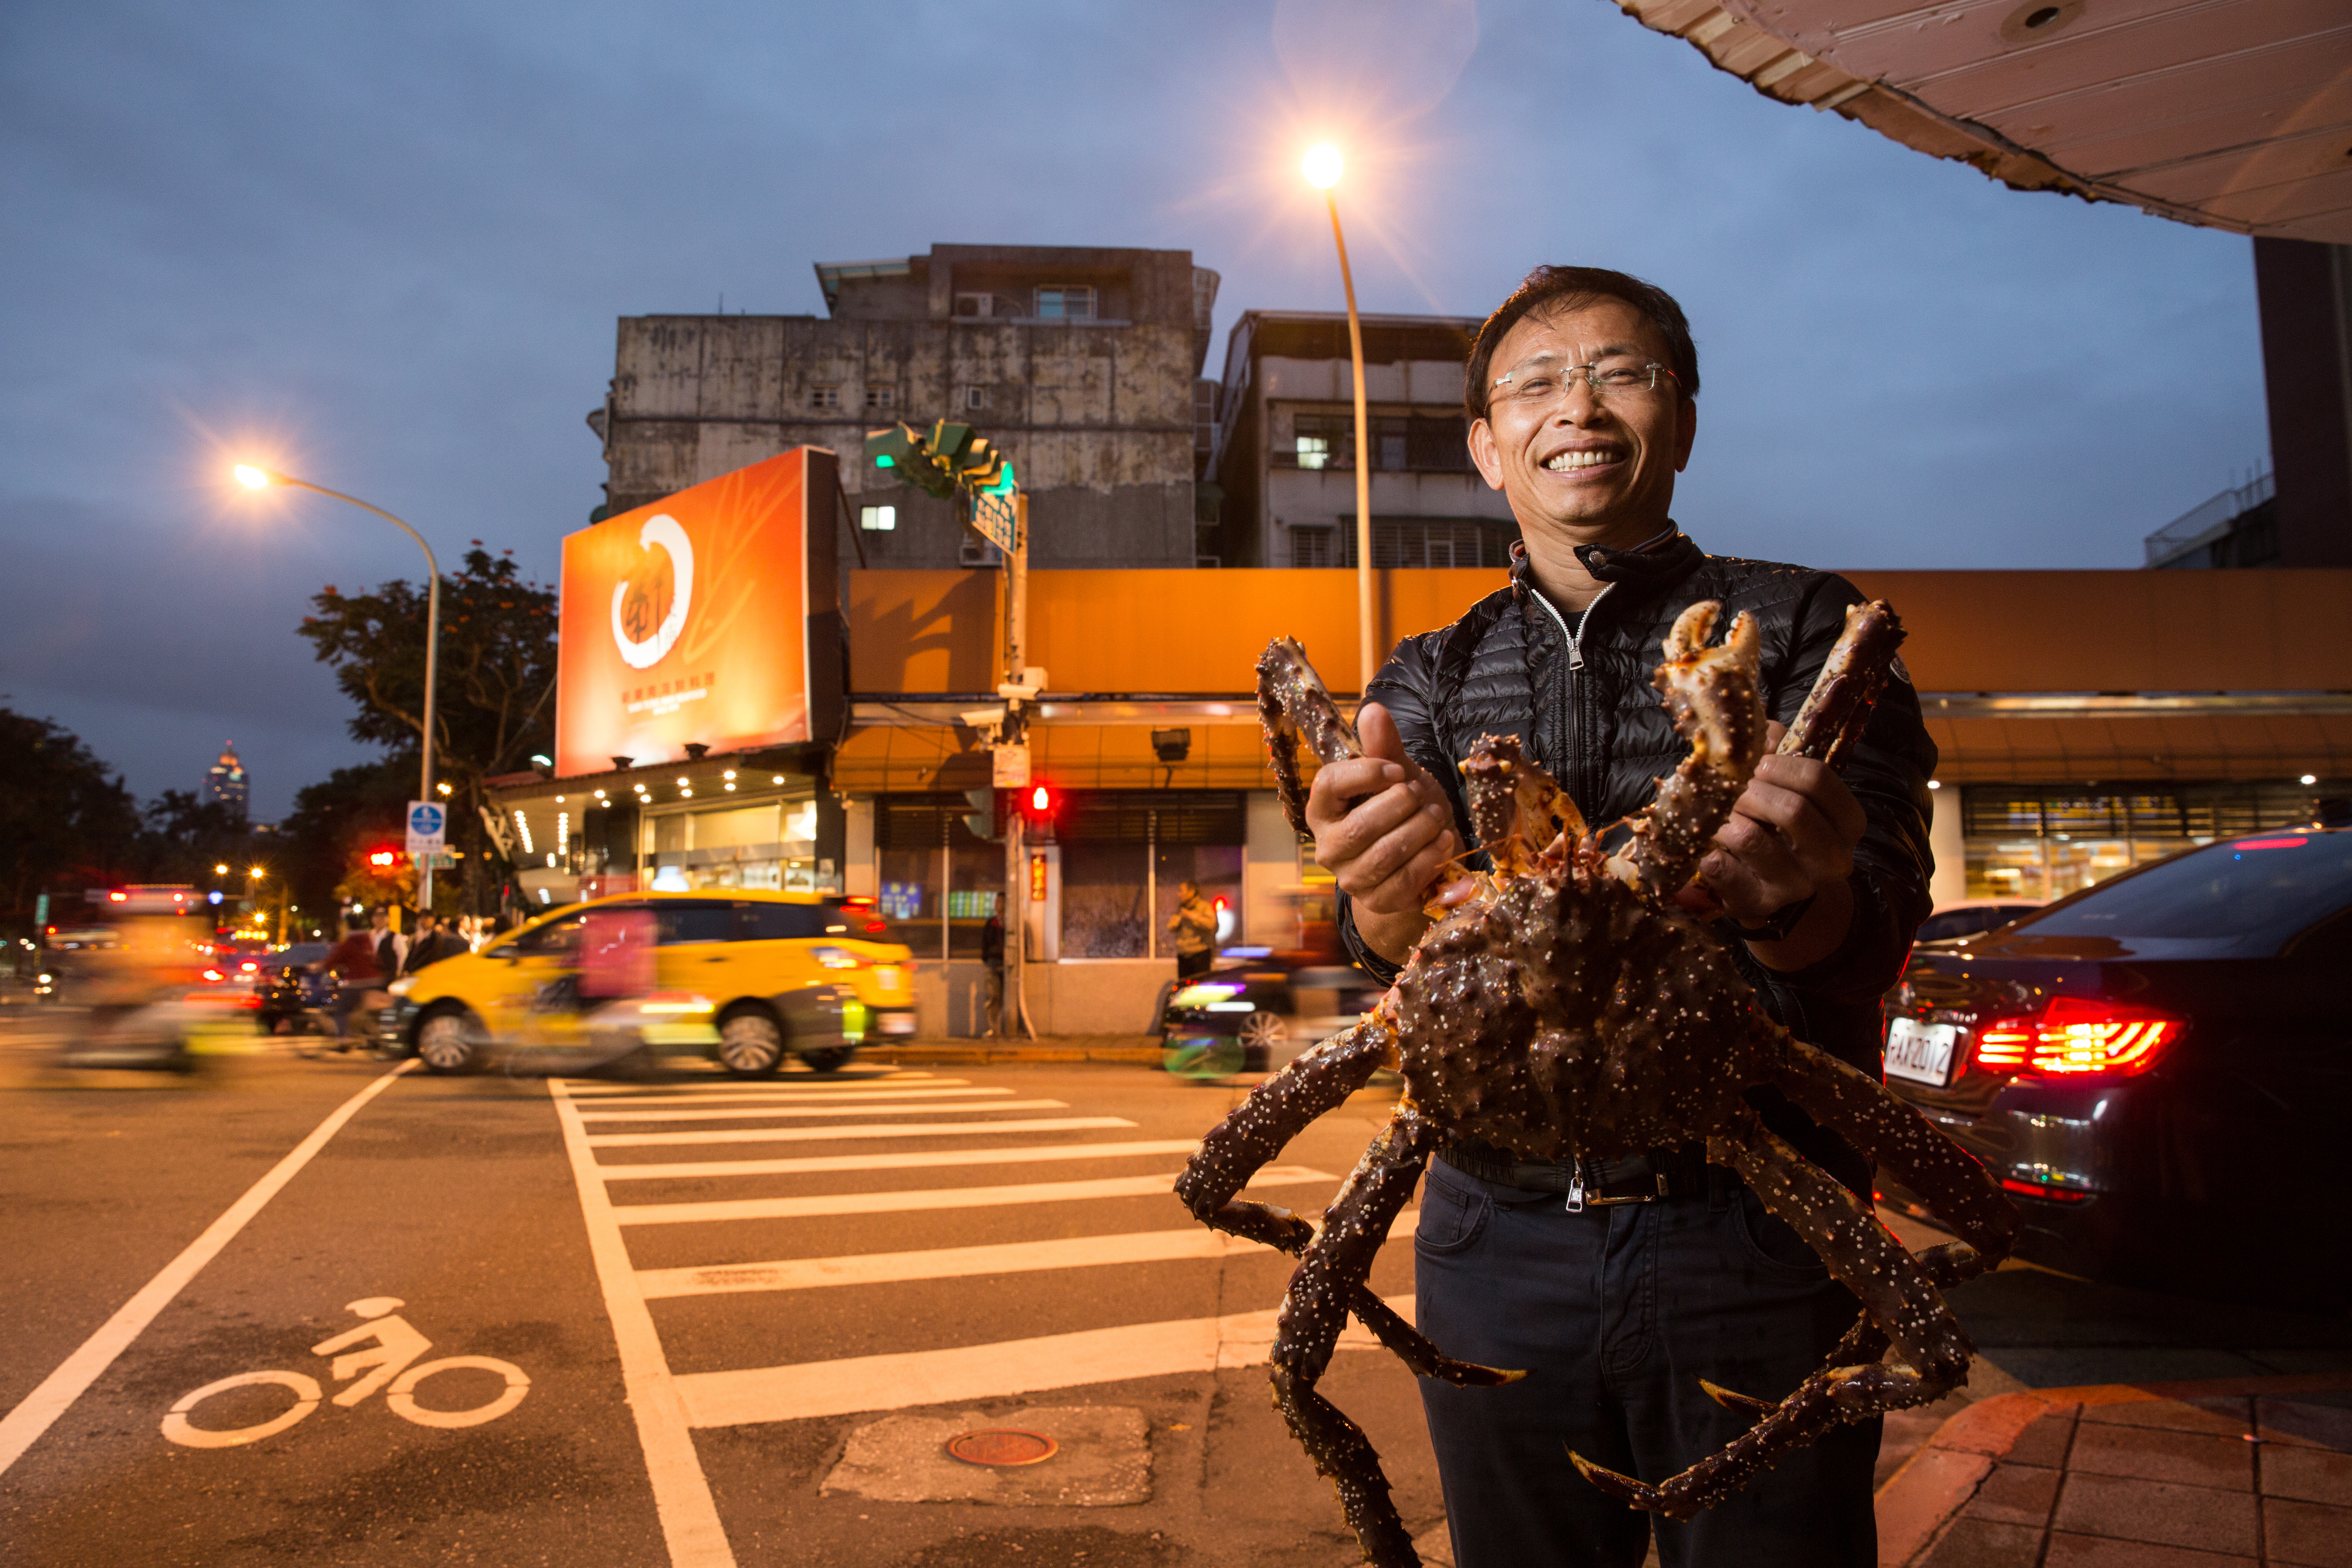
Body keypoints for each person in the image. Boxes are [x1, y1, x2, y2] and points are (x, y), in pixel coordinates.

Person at [1308, 266, 1935, 1568]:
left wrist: (1795, 900)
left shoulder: (1807, 625)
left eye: (1621, 370)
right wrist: (1369, 897)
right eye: (1535, 381)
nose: (1576, 403)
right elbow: (1389, 942)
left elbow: (1876, 925)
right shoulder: (1427, 672)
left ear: (1685, 418)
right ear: (1488, 445)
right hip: (1497, 1230)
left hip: (1754, 1222)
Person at [324, 914, 384, 1052]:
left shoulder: (350, 943)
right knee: (364, 1011)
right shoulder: (367, 940)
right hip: (375, 981)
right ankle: (374, 1036)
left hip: (358, 983)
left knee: (342, 1010)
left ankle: (344, 1041)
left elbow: (335, 959)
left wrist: (320, 966)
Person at [1167, 881, 1216, 982]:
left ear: (1192, 892)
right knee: (1185, 989)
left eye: (1182, 891)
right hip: (1184, 956)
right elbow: (1171, 926)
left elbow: (1211, 924)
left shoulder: (1204, 907)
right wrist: (1179, 919)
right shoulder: (1181, 908)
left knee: (1200, 990)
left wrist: (1191, 915)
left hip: (1200, 955)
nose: (1179, 894)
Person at [978, 908, 1006, 1037]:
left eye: (1001, 902)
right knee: (994, 998)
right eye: (997, 902)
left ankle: (1007, 1030)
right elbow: (985, 942)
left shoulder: (1013, 923)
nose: (998, 905)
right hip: (994, 965)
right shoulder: (992, 923)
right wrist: (987, 958)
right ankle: (995, 1030)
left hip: (1008, 966)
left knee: (1008, 1000)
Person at [370, 907, 406, 983]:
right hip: (372, 977)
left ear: (388, 919)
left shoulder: (395, 936)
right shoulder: (369, 936)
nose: (380, 919)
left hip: (388, 977)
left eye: (383, 917)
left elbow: (403, 955)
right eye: (377, 916)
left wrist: (398, 972)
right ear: (372, 919)